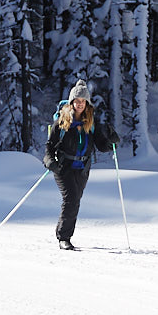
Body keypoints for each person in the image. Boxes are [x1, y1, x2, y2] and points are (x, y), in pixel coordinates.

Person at [42, 82, 117, 250]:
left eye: (83, 100)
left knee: (75, 200)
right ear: (71, 102)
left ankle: (63, 234)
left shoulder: (91, 121)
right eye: (77, 100)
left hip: (83, 167)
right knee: (71, 199)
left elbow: (100, 145)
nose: (80, 103)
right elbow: (50, 145)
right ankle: (64, 238)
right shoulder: (62, 120)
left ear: (87, 103)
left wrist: (112, 141)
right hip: (63, 166)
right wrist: (49, 160)